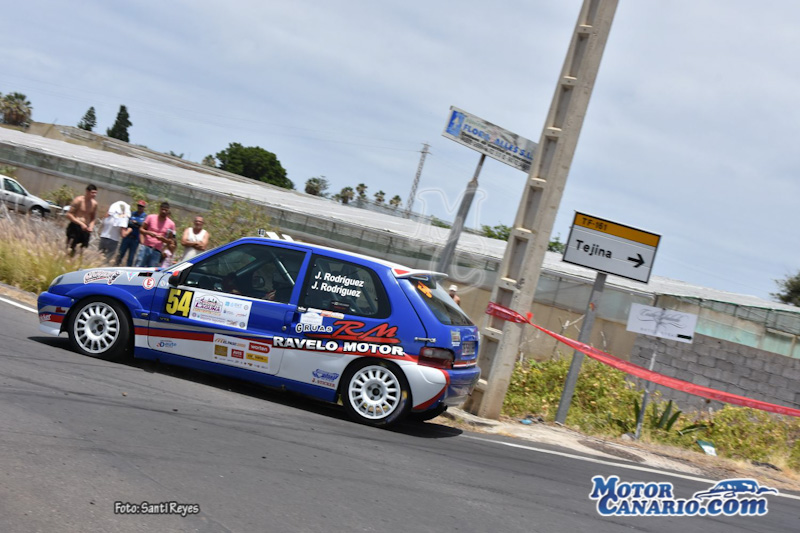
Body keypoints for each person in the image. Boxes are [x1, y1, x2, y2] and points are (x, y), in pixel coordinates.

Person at [135, 201, 176, 267]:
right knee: (139, 267)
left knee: (151, 271)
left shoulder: (171, 224)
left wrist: (163, 239)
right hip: (146, 247)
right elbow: (141, 229)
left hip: (157, 251)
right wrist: (148, 233)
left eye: (166, 210)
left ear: (168, 210)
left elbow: (170, 241)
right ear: (159, 209)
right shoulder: (150, 217)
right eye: (162, 209)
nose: (164, 211)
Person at [65, 184, 98, 256]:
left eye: (95, 193)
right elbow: (69, 214)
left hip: (86, 229)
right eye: (92, 193)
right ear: (87, 191)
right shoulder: (78, 200)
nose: (94, 195)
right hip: (75, 226)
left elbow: (93, 218)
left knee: (82, 251)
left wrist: (91, 227)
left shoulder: (94, 204)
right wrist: (81, 223)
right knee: (70, 248)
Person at [115, 200, 147, 266]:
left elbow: (142, 225)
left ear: (144, 207)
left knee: (131, 257)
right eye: (139, 206)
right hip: (127, 237)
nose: (140, 207)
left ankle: (128, 269)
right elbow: (128, 222)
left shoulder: (145, 216)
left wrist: (136, 223)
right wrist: (136, 224)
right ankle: (116, 266)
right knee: (120, 253)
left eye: (141, 206)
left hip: (135, 239)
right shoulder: (132, 213)